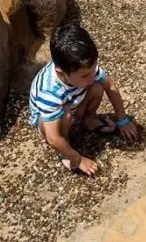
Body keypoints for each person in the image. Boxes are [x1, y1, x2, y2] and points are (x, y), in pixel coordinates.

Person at [29, 23, 138, 175]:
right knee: (65, 114)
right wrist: (79, 159)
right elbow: (52, 137)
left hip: (74, 104)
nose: (92, 75)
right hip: (49, 122)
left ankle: (89, 119)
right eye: (85, 75)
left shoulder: (84, 69)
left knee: (97, 86)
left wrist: (123, 119)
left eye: (94, 69)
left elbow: (110, 86)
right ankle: (66, 147)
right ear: (61, 73)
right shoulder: (48, 92)